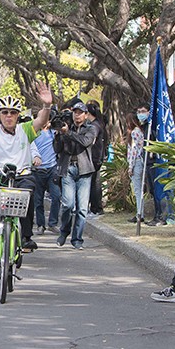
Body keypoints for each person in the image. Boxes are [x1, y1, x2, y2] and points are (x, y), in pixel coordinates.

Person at [0, 86, 53, 281]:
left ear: (18, 115)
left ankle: (26, 236)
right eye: (5, 112)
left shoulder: (25, 130)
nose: (9, 116)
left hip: (22, 175)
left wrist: (46, 105)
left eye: (13, 112)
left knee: (26, 194)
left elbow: (41, 121)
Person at [54, 101, 99, 250]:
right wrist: (59, 135)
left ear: (86, 115)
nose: (77, 115)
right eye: (75, 112)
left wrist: (68, 133)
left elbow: (85, 142)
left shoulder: (92, 128)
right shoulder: (67, 127)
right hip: (68, 169)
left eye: (80, 112)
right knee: (67, 204)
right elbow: (57, 149)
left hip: (84, 171)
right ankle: (64, 231)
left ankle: (77, 239)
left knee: (82, 209)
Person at [30, 118, 60, 235]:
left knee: (56, 196)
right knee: (38, 200)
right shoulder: (33, 133)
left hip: (52, 169)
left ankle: (53, 223)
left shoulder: (54, 133)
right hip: (38, 170)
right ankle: (41, 225)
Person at [85, 101, 107, 217]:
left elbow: (91, 141)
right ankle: (96, 207)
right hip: (97, 157)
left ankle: (96, 208)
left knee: (94, 184)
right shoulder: (99, 123)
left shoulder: (94, 126)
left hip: (94, 158)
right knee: (95, 183)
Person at [125, 111, 146, 223]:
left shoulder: (134, 132)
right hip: (140, 161)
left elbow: (134, 150)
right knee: (139, 190)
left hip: (136, 162)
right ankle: (140, 212)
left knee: (138, 190)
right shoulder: (140, 131)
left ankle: (139, 213)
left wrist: (130, 166)